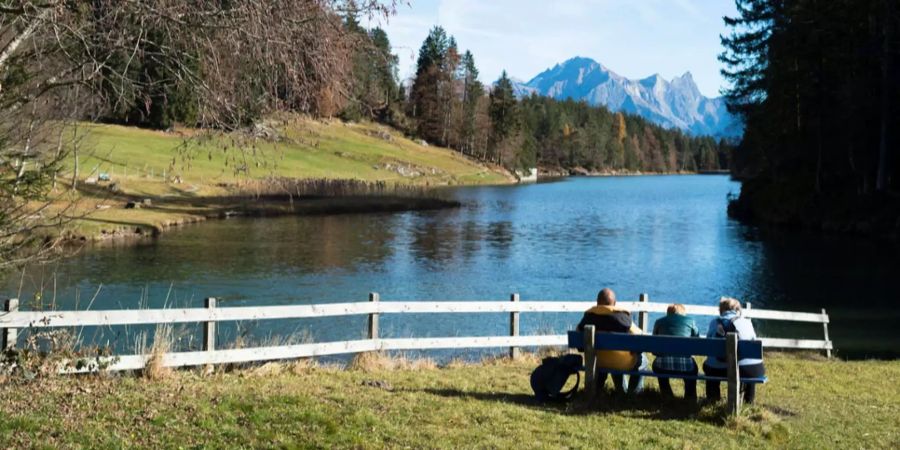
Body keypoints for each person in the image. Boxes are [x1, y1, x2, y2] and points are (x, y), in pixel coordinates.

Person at [576, 288, 649, 394]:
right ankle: (633, 393)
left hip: (598, 361)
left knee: (612, 357)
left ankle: (620, 391)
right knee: (643, 360)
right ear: (614, 303)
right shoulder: (623, 318)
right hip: (621, 362)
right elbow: (640, 338)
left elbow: (579, 340)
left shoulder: (588, 318)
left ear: (597, 302)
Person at [702, 297, 766, 403]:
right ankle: (749, 401)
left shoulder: (714, 323)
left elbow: (708, 344)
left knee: (709, 366)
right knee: (747, 364)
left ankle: (712, 400)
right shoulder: (747, 322)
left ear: (721, 309)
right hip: (749, 370)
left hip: (718, 370)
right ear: (738, 309)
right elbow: (753, 341)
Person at [651, 304, 700, 399]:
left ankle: (667, 395)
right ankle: (690, 397)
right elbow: (697, 344)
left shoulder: (659, 322)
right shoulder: (691, 322)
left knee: (658, 366)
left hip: (662, 366)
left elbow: (654, 347)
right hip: (686, 366)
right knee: (693, 370)